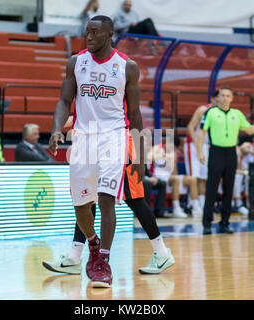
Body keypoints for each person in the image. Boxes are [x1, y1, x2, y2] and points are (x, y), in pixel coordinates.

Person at [48, 15, 145, 288]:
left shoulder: (127, 66)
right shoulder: (75, 62)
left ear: (110, 34)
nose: (88, 37)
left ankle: (103, 261)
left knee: (105, 199)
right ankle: (92, 245)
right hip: (83, 139)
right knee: (81, 205)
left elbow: (135, 113)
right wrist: (57, 130)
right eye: (86, 32)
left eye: (94, 32)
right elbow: (64, 101)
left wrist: (140, 155)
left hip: (114, 137)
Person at [43, 138, 174, 276]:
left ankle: (162, 252)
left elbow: (134, 118)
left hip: (119, 146)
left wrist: (139, 158)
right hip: (97, 147)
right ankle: (74, 257)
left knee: (135, 199)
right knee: (88, 199)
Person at [196, 86, 254, 235]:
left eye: (228, 96)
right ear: (218, 98)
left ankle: (225, 223)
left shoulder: (237, 114)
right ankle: (207, 223)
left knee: (229, 189)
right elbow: (202, 132)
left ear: (232, 98)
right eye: (222, 95)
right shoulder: (211, 112)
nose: (225, 98)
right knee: (211, 188)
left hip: (231, 153)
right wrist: (200, 151)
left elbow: (249, 129)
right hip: (216, 151)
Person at [185, 90, 220, 214]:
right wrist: (197, 144)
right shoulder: (202, 109)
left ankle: (202, 205)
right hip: (193, 145)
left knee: (203, 178)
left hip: (206, 146)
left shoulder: (218, 113)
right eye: (220, 97)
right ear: (214, 98)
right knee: (193, 177)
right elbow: (190, 127)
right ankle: (194, 207)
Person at [148, 137, 201, 218]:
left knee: (192, 179)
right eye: (170, 144)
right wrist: (163, 156)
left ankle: (196, 208)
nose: (171, 147)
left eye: (173, 147)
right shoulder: (157, 148)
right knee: (176, 179)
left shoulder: (174, 154)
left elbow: (174, 172)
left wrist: (171, 163)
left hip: (169, 176)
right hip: (157, 175)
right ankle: (176, 208)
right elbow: (148, 157)